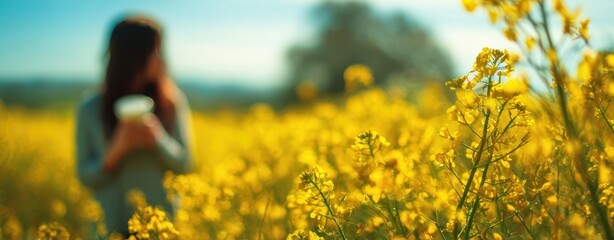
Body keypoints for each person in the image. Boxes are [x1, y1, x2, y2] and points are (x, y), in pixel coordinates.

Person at [75, 15, 192, 236]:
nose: (161, 59)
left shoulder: (172, 102)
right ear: (134, 56)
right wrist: (115, 151)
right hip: (109, 229)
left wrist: (158, 139)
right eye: (155, 50)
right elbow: (84, 177)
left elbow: (185, 164)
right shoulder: (89, 108)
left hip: (161, 229)